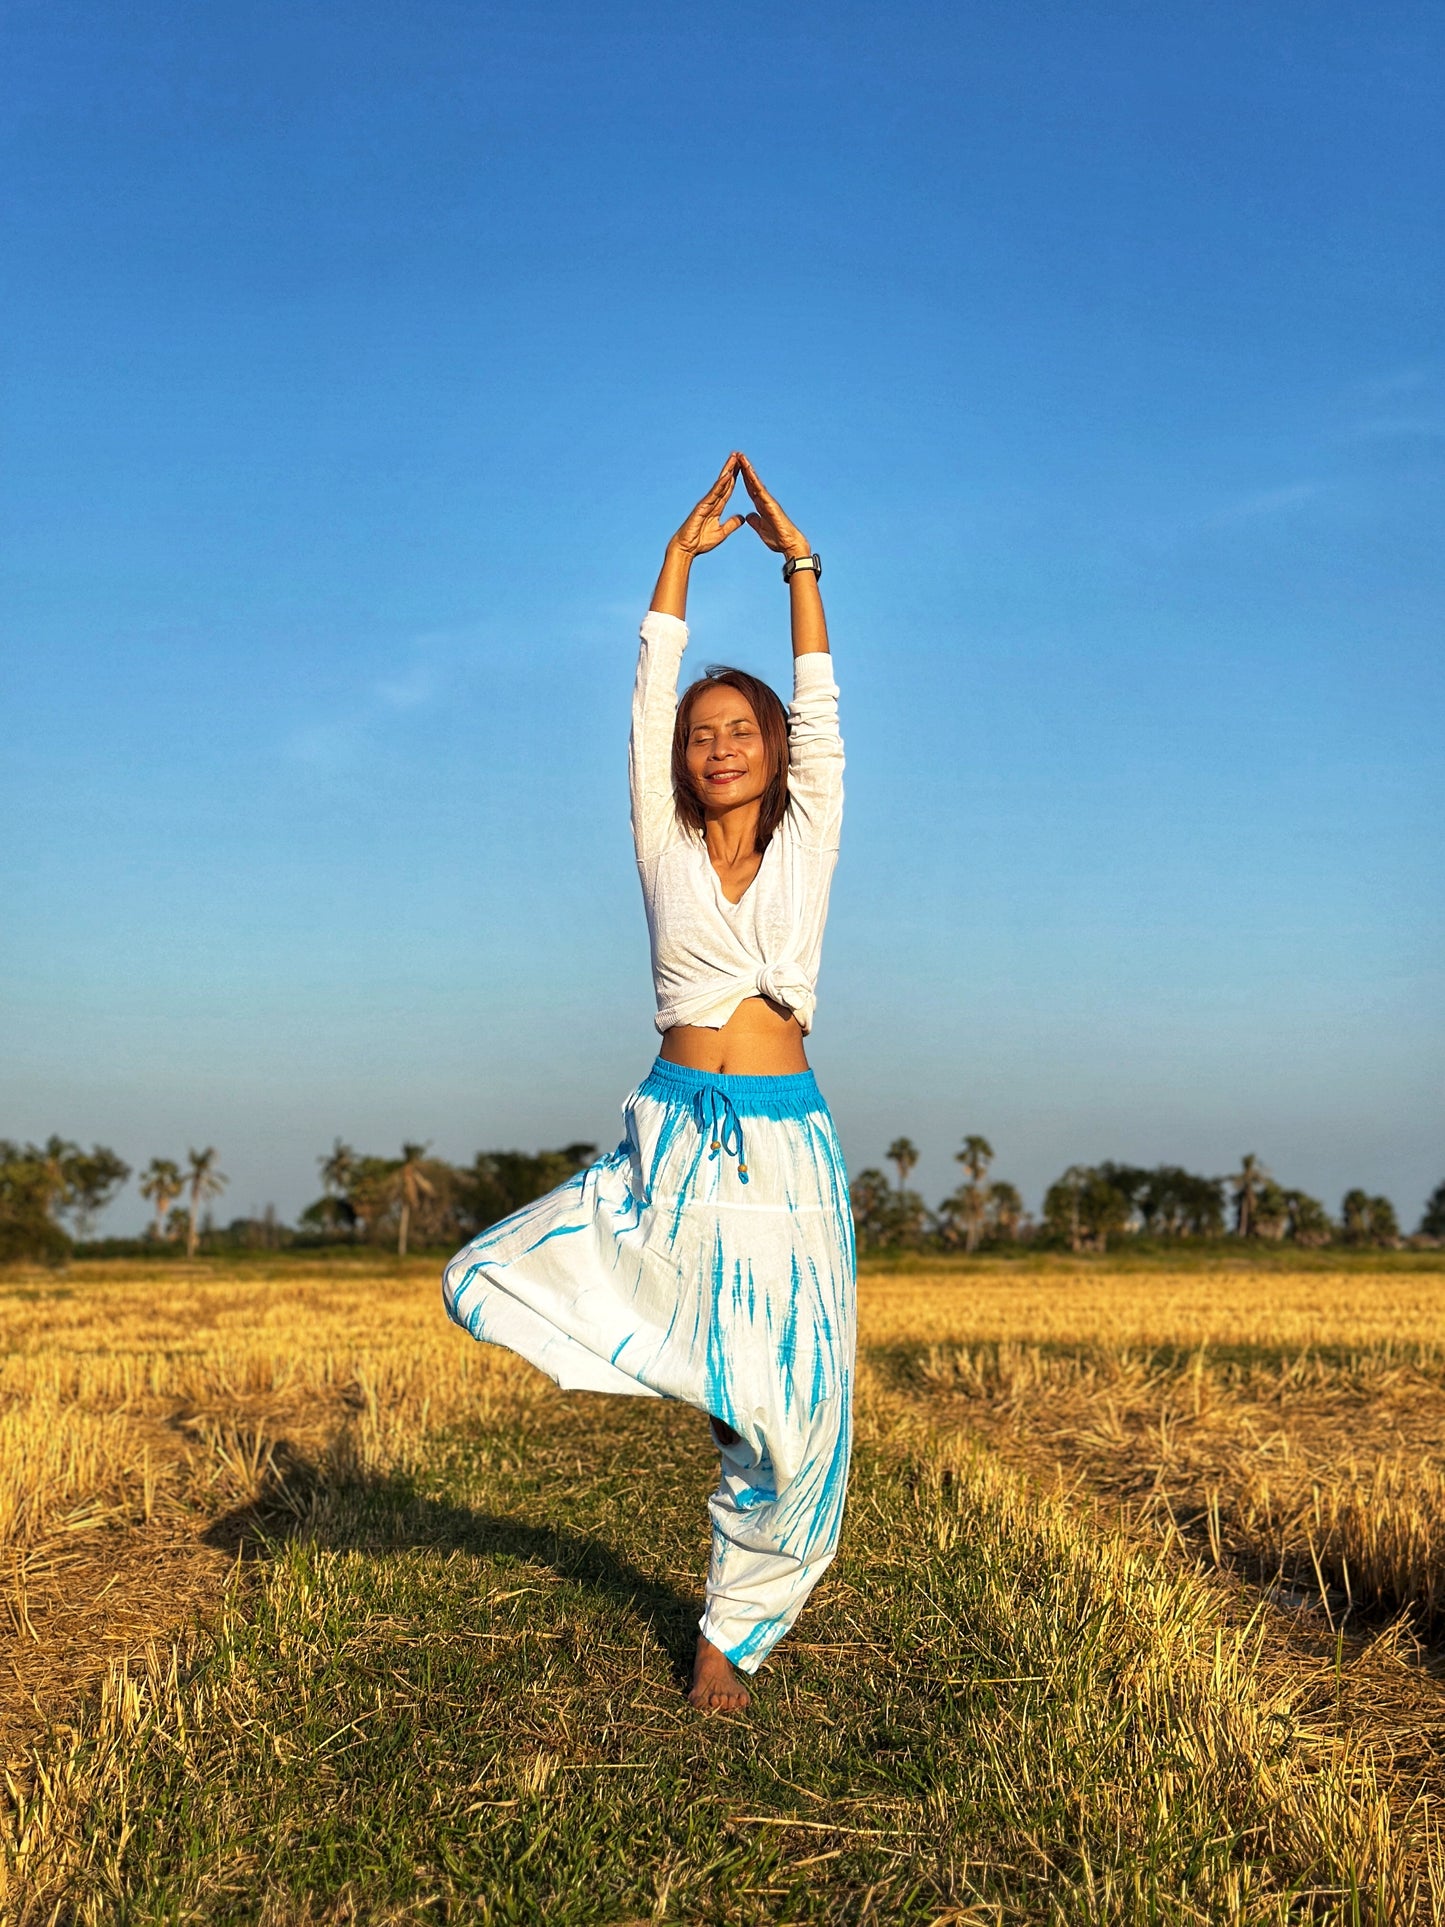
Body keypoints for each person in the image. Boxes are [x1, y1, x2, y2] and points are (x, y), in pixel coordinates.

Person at [443, 452, 853, 1713]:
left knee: (800, 1427)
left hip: (785, 1152)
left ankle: (731, 1627)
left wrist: (797, 564)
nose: (715, 745)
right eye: (699, 736)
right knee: (483, 1275)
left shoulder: (809, 831)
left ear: (771, 749)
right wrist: (676, 564)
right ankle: (693, 1368)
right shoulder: (660, 841)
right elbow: (643, 697)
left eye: (739, 731)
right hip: (673, 1142)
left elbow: (826, 709)